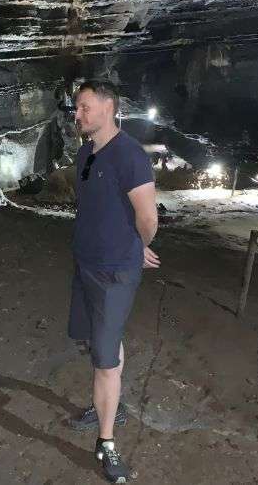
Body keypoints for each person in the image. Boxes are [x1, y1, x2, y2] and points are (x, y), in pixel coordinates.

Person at [66, 80, 160, 483]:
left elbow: (148, 217)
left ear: (109, 107)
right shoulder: (87, 151)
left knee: (104, 359)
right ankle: (111, 403)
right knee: (97, 339)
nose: (78, 114)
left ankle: (106, 442)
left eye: (85, 107)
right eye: (77, 107)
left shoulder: (130, 156)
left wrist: (135, 246)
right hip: (86, 263)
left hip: (114, 271)